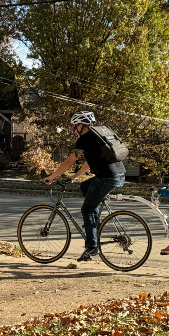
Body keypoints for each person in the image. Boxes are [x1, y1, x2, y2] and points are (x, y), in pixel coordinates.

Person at [44, 111, 126, 261]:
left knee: (87, 209)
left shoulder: (85, 139)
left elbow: (70, 161)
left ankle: (92, 247)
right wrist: (75, 176)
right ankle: (94, 226)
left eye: (75, 127)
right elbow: (90, 162)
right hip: (119, 176)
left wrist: (52, 176)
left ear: (81, 126)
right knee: (84, 187)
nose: (74, 130)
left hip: (106, 178)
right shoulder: (97, 136)